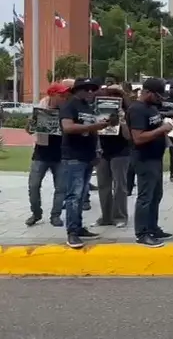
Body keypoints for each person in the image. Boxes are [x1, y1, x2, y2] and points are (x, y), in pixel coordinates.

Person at [61, 77, 116, 248]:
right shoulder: (69, 106)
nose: (91, 92)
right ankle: (72, 232)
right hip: (73, 156)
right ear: (77, 90)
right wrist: (93, 127)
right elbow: (68, 127)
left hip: (88, 155)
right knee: (74, 195)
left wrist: (97, 150)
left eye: (93, 89)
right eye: (87, 89)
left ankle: (78, 227)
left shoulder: (89, 107)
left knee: (82, 194)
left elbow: (94, 131)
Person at [128, 78, 173, 247]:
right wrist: (161, 129)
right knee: (145, 197)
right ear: (147, 92)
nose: (159, 99)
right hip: (144, 158)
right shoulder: (137, 110)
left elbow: (153, 126)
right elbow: (138, 138)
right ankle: (142, 233)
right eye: (157, 96)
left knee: (156, 195)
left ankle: (152, 227)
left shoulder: (151, 108)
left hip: (155, 157)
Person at [25, 82, 70, 227]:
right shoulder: (40, 108)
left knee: (61, 188)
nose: (64, 97)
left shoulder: (67, 110)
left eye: (65, 95)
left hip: (61, 153)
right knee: (33, 185)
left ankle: (55, 215)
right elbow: (29, 130)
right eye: (61, 95)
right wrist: (31, 123)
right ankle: (36, 213)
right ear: (52, 95)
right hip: (41, 152)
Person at [93, 85, 132, 228]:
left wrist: (122, 120)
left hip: (121, 152)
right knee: (103, 185)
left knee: (120, 185)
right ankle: (106, 216)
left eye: (115, 97)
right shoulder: (98, 111)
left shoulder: (127, 113)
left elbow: (128, 137)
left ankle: (120, 216)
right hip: (103, 150)